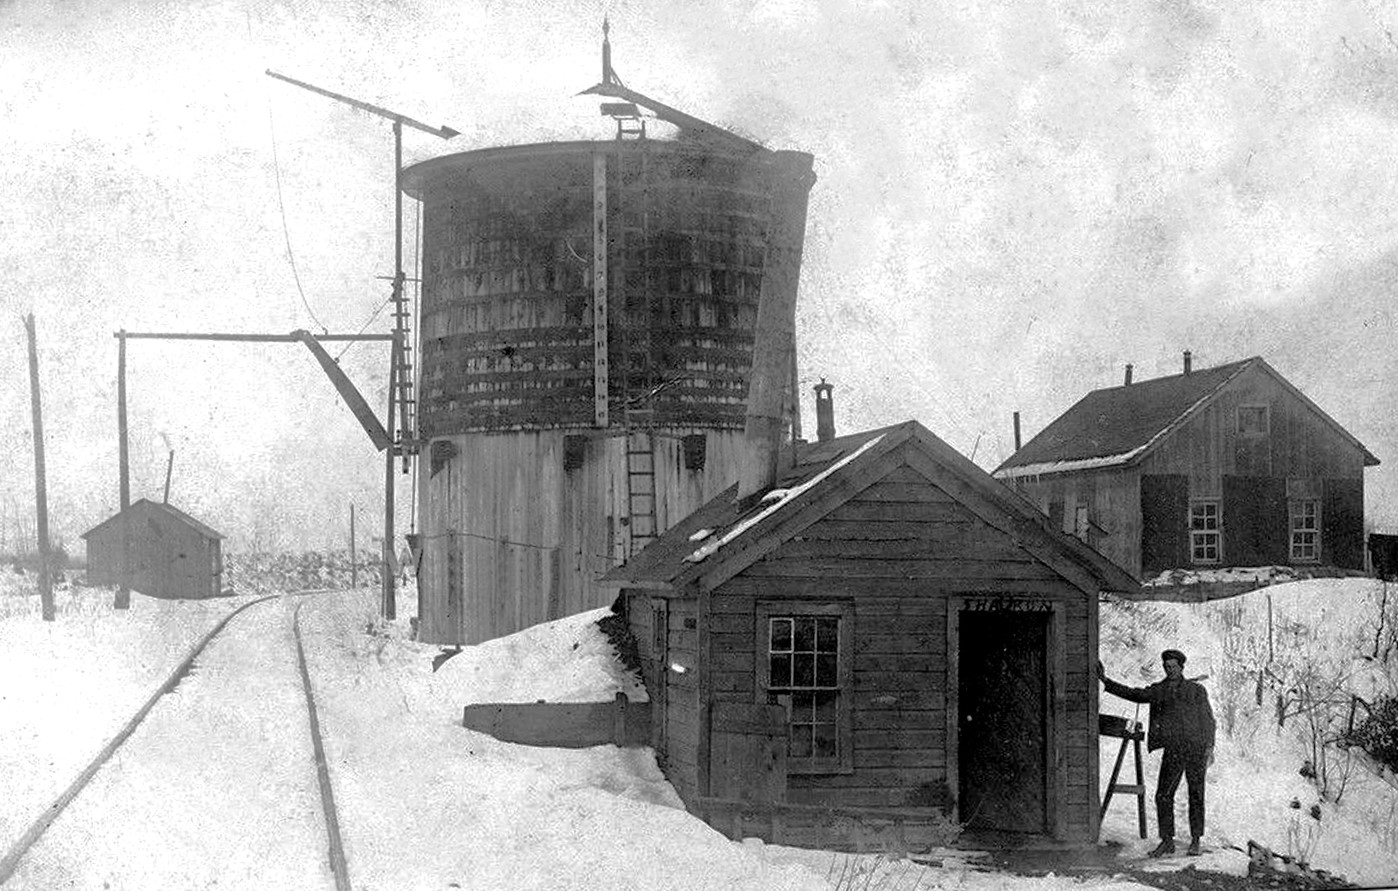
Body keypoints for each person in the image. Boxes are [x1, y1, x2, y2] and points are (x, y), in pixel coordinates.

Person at [1098, 648, 1216, 857]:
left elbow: (1208, 720)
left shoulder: (1196, 690)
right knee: (1163, 795)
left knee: (1196, 794)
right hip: (1174, 750)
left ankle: (1195, 840)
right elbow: (1135, 694)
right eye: (1167, 667)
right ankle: (1167, 841)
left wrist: (1209, 747)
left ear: (1181, 667)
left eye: (1174, 667)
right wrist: (1106, 681)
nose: (1170, 670)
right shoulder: (1159, 690)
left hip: (1196, 749)